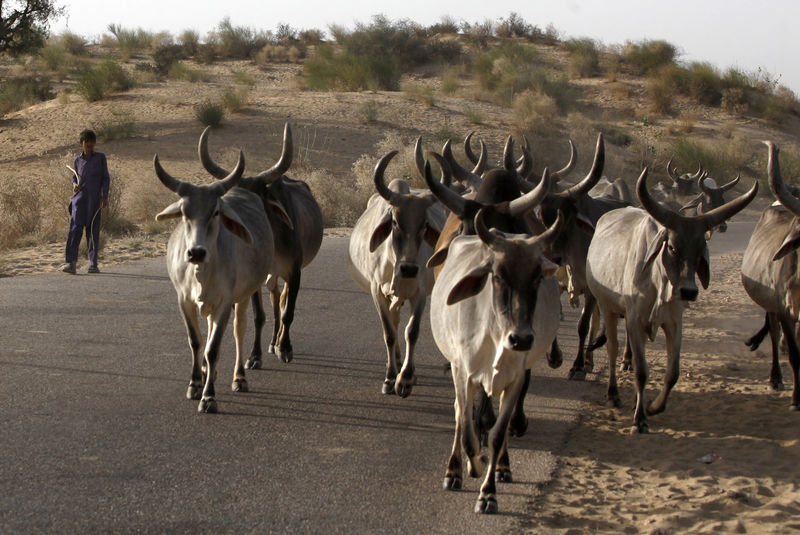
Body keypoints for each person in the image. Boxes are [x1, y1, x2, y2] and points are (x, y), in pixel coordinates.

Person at [62, 130, 110, 274]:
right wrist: (74, 185)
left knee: (93, 233)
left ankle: (93, 264)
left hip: (95, 201)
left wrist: (105, 196)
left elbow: (105, 178)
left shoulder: (100, 158)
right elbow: (74, 177)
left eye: (92, 142)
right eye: (87, 142)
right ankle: (71, 263)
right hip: (80, 201)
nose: (89, 144)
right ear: (81, 143)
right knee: (74, 231)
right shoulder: (77, 160)